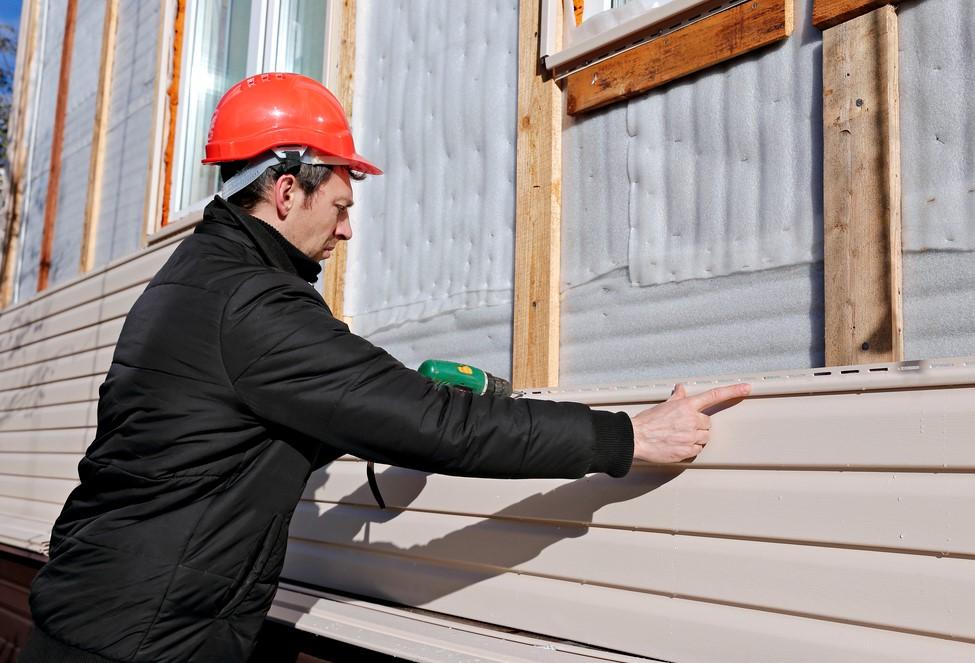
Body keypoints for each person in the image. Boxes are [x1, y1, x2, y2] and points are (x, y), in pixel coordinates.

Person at [22, 73, 750, 662]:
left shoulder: (195, 279)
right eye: (337, 203)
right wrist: (624, 437)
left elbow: (216, 433)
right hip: (145, 641)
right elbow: (437, 427)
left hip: (92, 611)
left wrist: (367, 408)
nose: (345, 226)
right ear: (284, 190)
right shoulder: (253, 304)